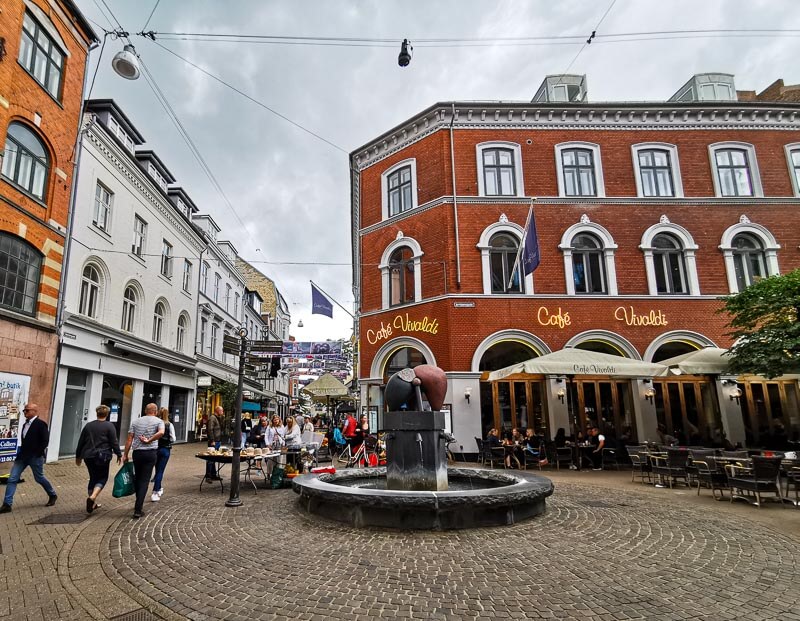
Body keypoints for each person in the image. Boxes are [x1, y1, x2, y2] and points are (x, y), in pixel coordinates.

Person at [1, 403, 58, 513]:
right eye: (24, 411)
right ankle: (7, 504)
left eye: (27, 410)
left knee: (39, 478)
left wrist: (37, 453)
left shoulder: (41, 424)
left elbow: (45, 441)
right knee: (12, 478)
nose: (25, 412)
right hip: (22, 457)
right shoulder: (25, 425)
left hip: (35, 457)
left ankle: (52, 494)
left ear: (34, 411)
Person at [75, 405, 122, 513]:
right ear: (107, 414)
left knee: (92, 477)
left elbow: (81, 442)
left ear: (97, 413)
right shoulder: (109, 426)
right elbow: (114, 442)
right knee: (102, 478)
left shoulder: (88, 426)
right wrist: (119, 454)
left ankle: (92, 503)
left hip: (88, 455)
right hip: (103, 456)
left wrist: (78, 456)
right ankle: (93, 497)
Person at [122, 403, 164, 519]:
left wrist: (125, 454)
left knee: (138, 477)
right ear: (155, 411)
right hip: (150, 453)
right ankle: (138, 509)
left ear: (145, 410)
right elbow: (161, 432)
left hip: (137, 453)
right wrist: (149, 440)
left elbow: (129, 439)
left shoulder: (135, 422)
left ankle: (138, 500)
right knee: (144, 480)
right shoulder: (158, 421)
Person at [151, 407, 176, 502]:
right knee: (160, 470)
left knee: (157, 469)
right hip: (165, 449)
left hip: (155, 448)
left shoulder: (155, 424)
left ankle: (159, 487)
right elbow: (173, 438)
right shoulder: (169, 425)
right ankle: (155, 491)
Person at [205, 406, 223, 481]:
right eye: (221, 411)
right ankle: (208, 475)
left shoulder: (217, 418)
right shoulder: (212, 418)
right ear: (217, 410)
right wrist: (212, 440)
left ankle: (213, 474)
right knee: (211, 458)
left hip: (217, 440)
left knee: (214, 458)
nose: (222, 412)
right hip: (214, 441)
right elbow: (210, 429)